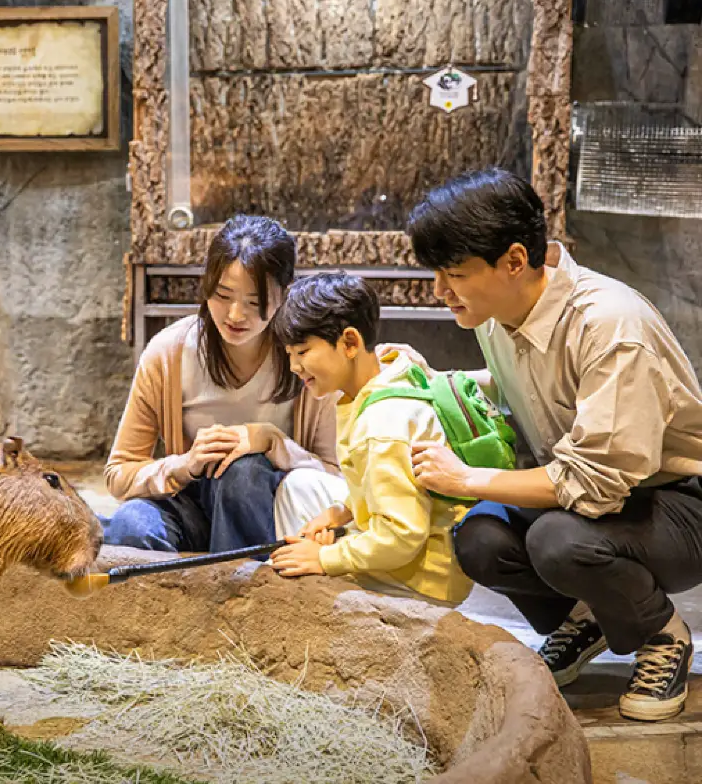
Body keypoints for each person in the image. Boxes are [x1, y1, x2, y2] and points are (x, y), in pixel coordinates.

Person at [399, 167, 702, 721]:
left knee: (558, 541)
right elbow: (531, 385)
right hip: (607, 496)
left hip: (681, 502)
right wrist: (423, 380)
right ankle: (590, 616)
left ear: (515, 261)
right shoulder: (497, 316)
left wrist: (464, 478)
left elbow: (593, 484)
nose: (439, 291)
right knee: (479, 538)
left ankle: (662, 634)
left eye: (454, 274)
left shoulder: (609, 326)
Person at [102, 215, 348, 553]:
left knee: (243, 474)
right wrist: (186, 463)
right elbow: (119, 473)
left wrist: (272, 442)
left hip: (269, 512)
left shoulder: (308, 358)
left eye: (254, 301)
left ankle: (244, 592)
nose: (235, 315)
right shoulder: (169, 353)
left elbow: (336, 478)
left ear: (283, 295)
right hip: (188, 502)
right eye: (222, 295)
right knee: (130, 526)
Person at [266, 272, 474, 606]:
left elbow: (401, 535)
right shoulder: (386, 375)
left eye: (303, 352)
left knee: (287, 569)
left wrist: (325, 559)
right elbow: (384, 481)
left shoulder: (382, 425)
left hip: (420, 581)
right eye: (290, 354)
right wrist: (342, 512)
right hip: (417, 551)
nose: (293, 366)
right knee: (299, 486)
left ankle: (312, 599)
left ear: (349, 343)